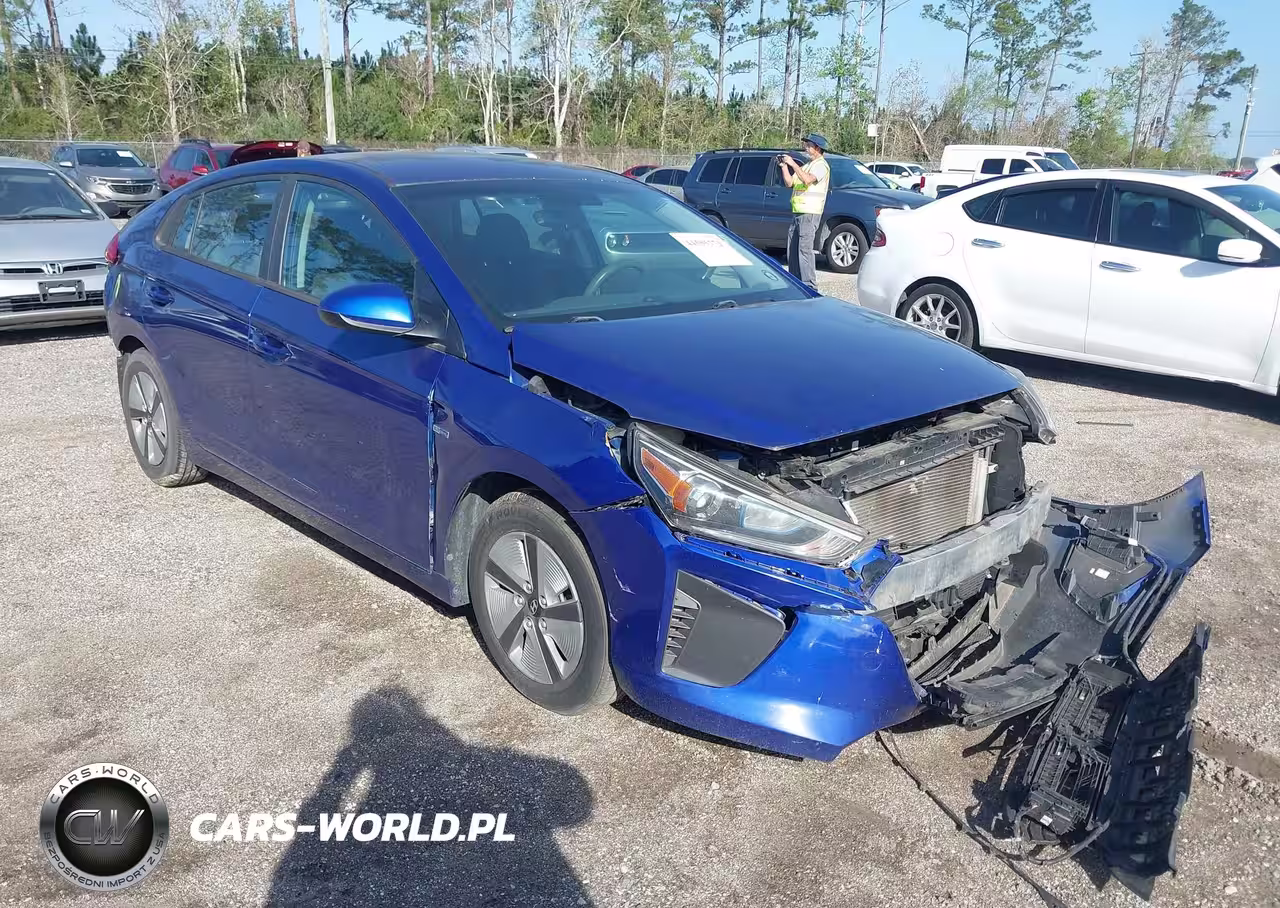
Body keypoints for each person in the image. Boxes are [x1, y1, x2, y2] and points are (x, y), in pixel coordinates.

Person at [778, 133, 831, 289]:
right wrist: (784, 167)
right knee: (793, 250)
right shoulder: (807, 165)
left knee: (804, 250)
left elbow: (807, 180)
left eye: (809, 145)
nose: (805, 148)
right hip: (798, 213)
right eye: (806, 145)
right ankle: (795, 283)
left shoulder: (821, 165)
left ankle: (809, 286)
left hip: (810, 213)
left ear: (818, 148)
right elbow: (789, 183)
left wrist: (793, 163)